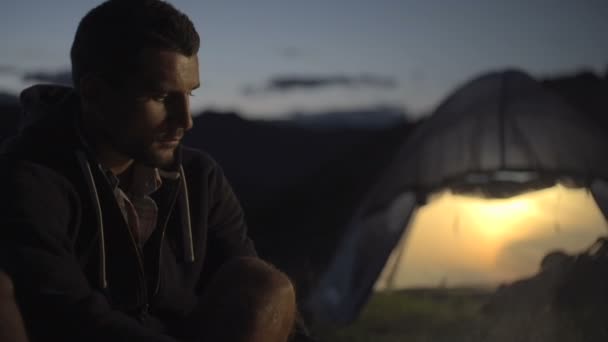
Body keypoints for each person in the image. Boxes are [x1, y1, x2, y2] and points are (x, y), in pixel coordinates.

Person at [0, 0, 313, 341]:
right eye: (162, 96)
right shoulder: (28, 180)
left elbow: (254, 296)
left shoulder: (200, 177)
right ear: (94, 94)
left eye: (189, 94)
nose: (186, 120)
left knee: (266, 286)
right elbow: (66, 314)